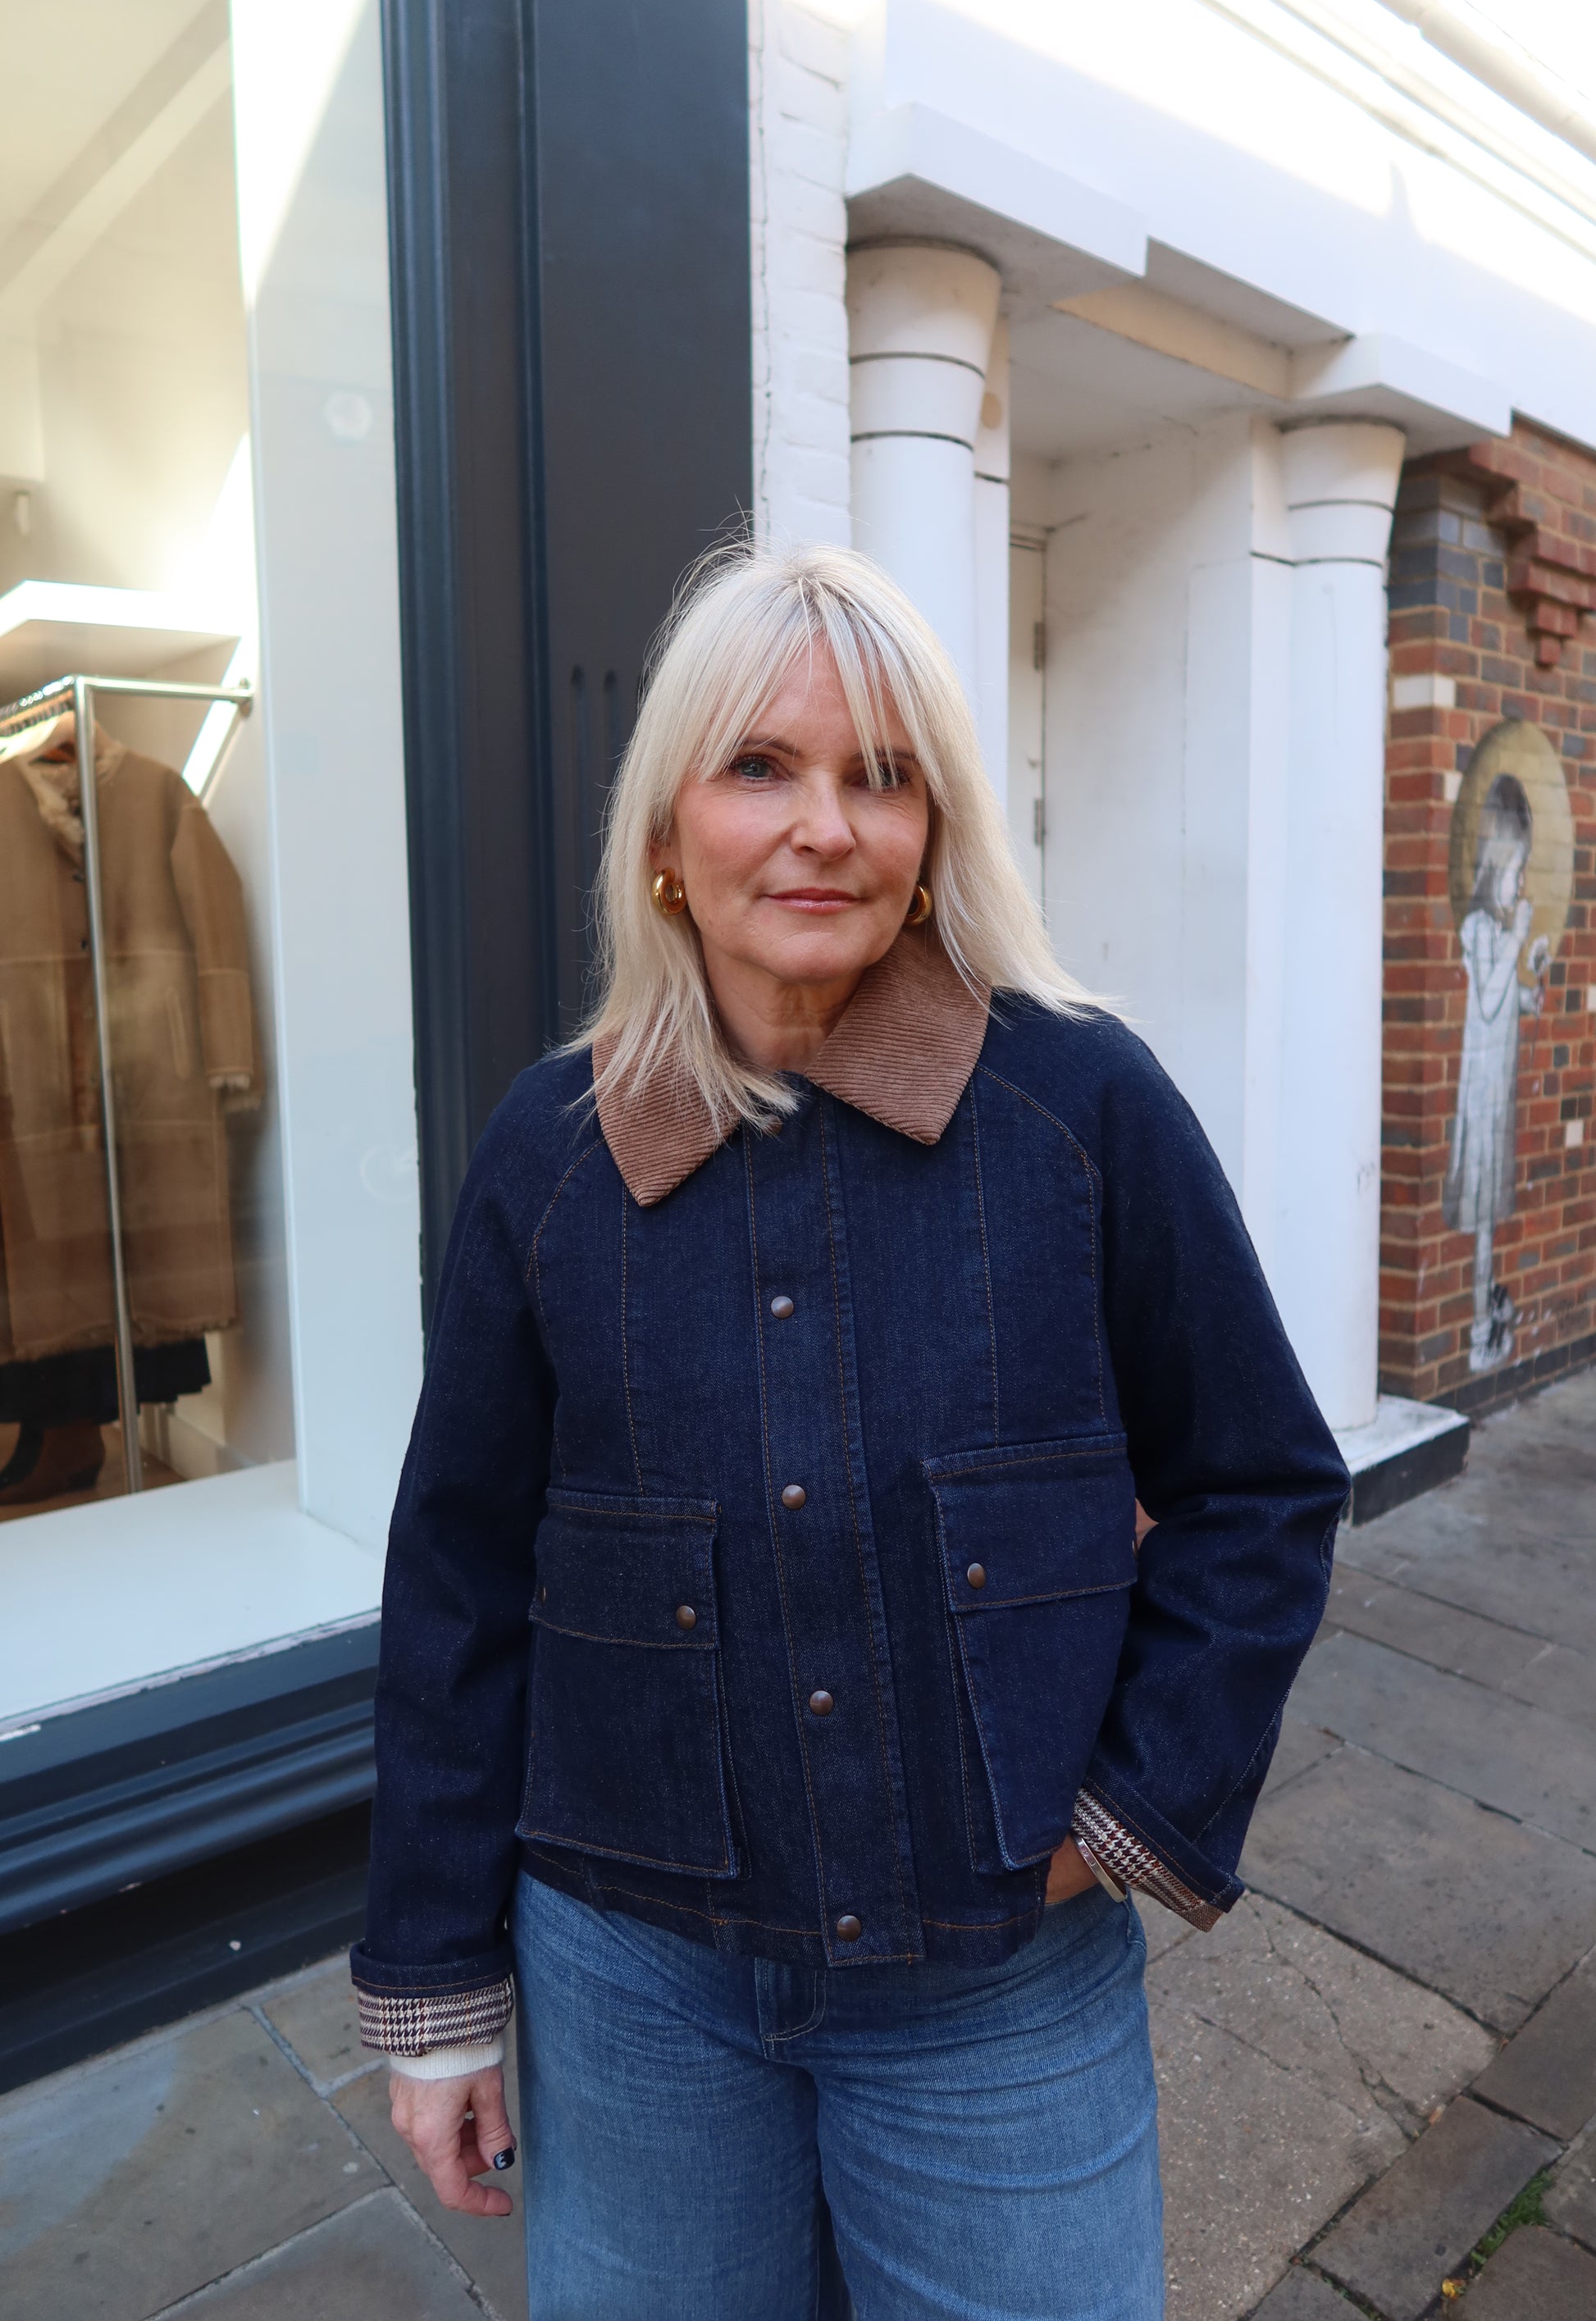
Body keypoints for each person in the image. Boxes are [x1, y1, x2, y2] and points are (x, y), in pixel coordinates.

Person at [351, 545, 1348, 2319]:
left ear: (934, 831)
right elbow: (458, 1578)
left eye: (880, 775)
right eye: (761, 767)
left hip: (994, 1982)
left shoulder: (1080, 1106)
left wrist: (1124, 1818)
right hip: (632, 1992)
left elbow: (1257, 1482)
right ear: (667, 828)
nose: (825, 824)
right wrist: (439, 1996)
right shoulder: (549, 1154)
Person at [1443, 772, 1549, 1375]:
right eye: (1516, 872)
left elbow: (1511, 1000)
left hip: (1498, 1097)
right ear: (1494, 864)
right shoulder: (1481, 929)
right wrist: (1515, 938)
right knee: (1481, 1219)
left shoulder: (1502, 935)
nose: (1521, 884)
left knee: (1490, 1218)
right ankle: (1482, 1327)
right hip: (1479, 1102)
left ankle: (1488, 1315)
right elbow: (1485, 997)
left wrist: (1533, 972)